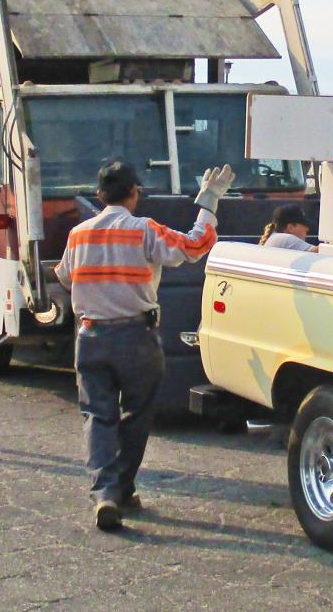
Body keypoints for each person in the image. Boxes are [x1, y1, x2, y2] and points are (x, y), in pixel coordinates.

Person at [56, 160, 233, 530]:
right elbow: (195, 246)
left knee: (98, 416)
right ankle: (123, 486)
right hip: (137, 338)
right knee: (137, 414)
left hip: (91, 337)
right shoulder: (144, 231)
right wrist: (209, 201)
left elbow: (66, 278)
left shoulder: (79, 234)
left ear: (100, 195)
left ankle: (105, 492)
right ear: (134, 194)